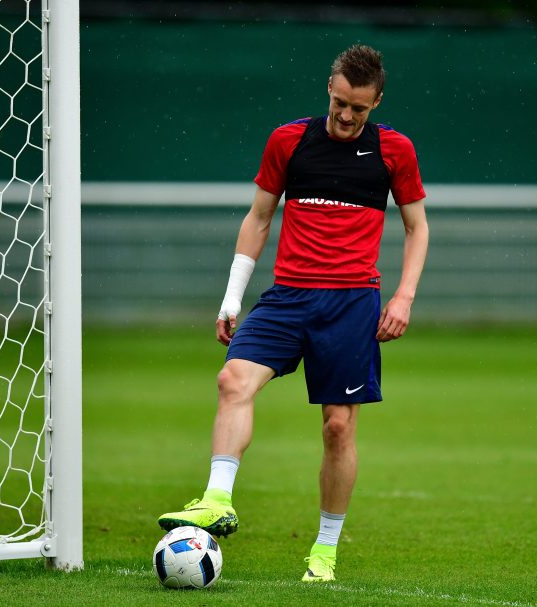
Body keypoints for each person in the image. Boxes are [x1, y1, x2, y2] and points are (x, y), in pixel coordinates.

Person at [157, 44, 429, 583]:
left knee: (336, 428)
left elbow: (417, 227)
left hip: (352, 303)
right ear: (329, 87)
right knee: (233, 379)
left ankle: (325, 552)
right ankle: (217, 500)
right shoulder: (289, 140)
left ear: (377, 102)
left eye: (360, 108)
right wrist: (233, 296)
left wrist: (403, 298)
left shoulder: (394, 151)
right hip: (287, 298)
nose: (348, 116)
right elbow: (259, 218)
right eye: (341, 104)